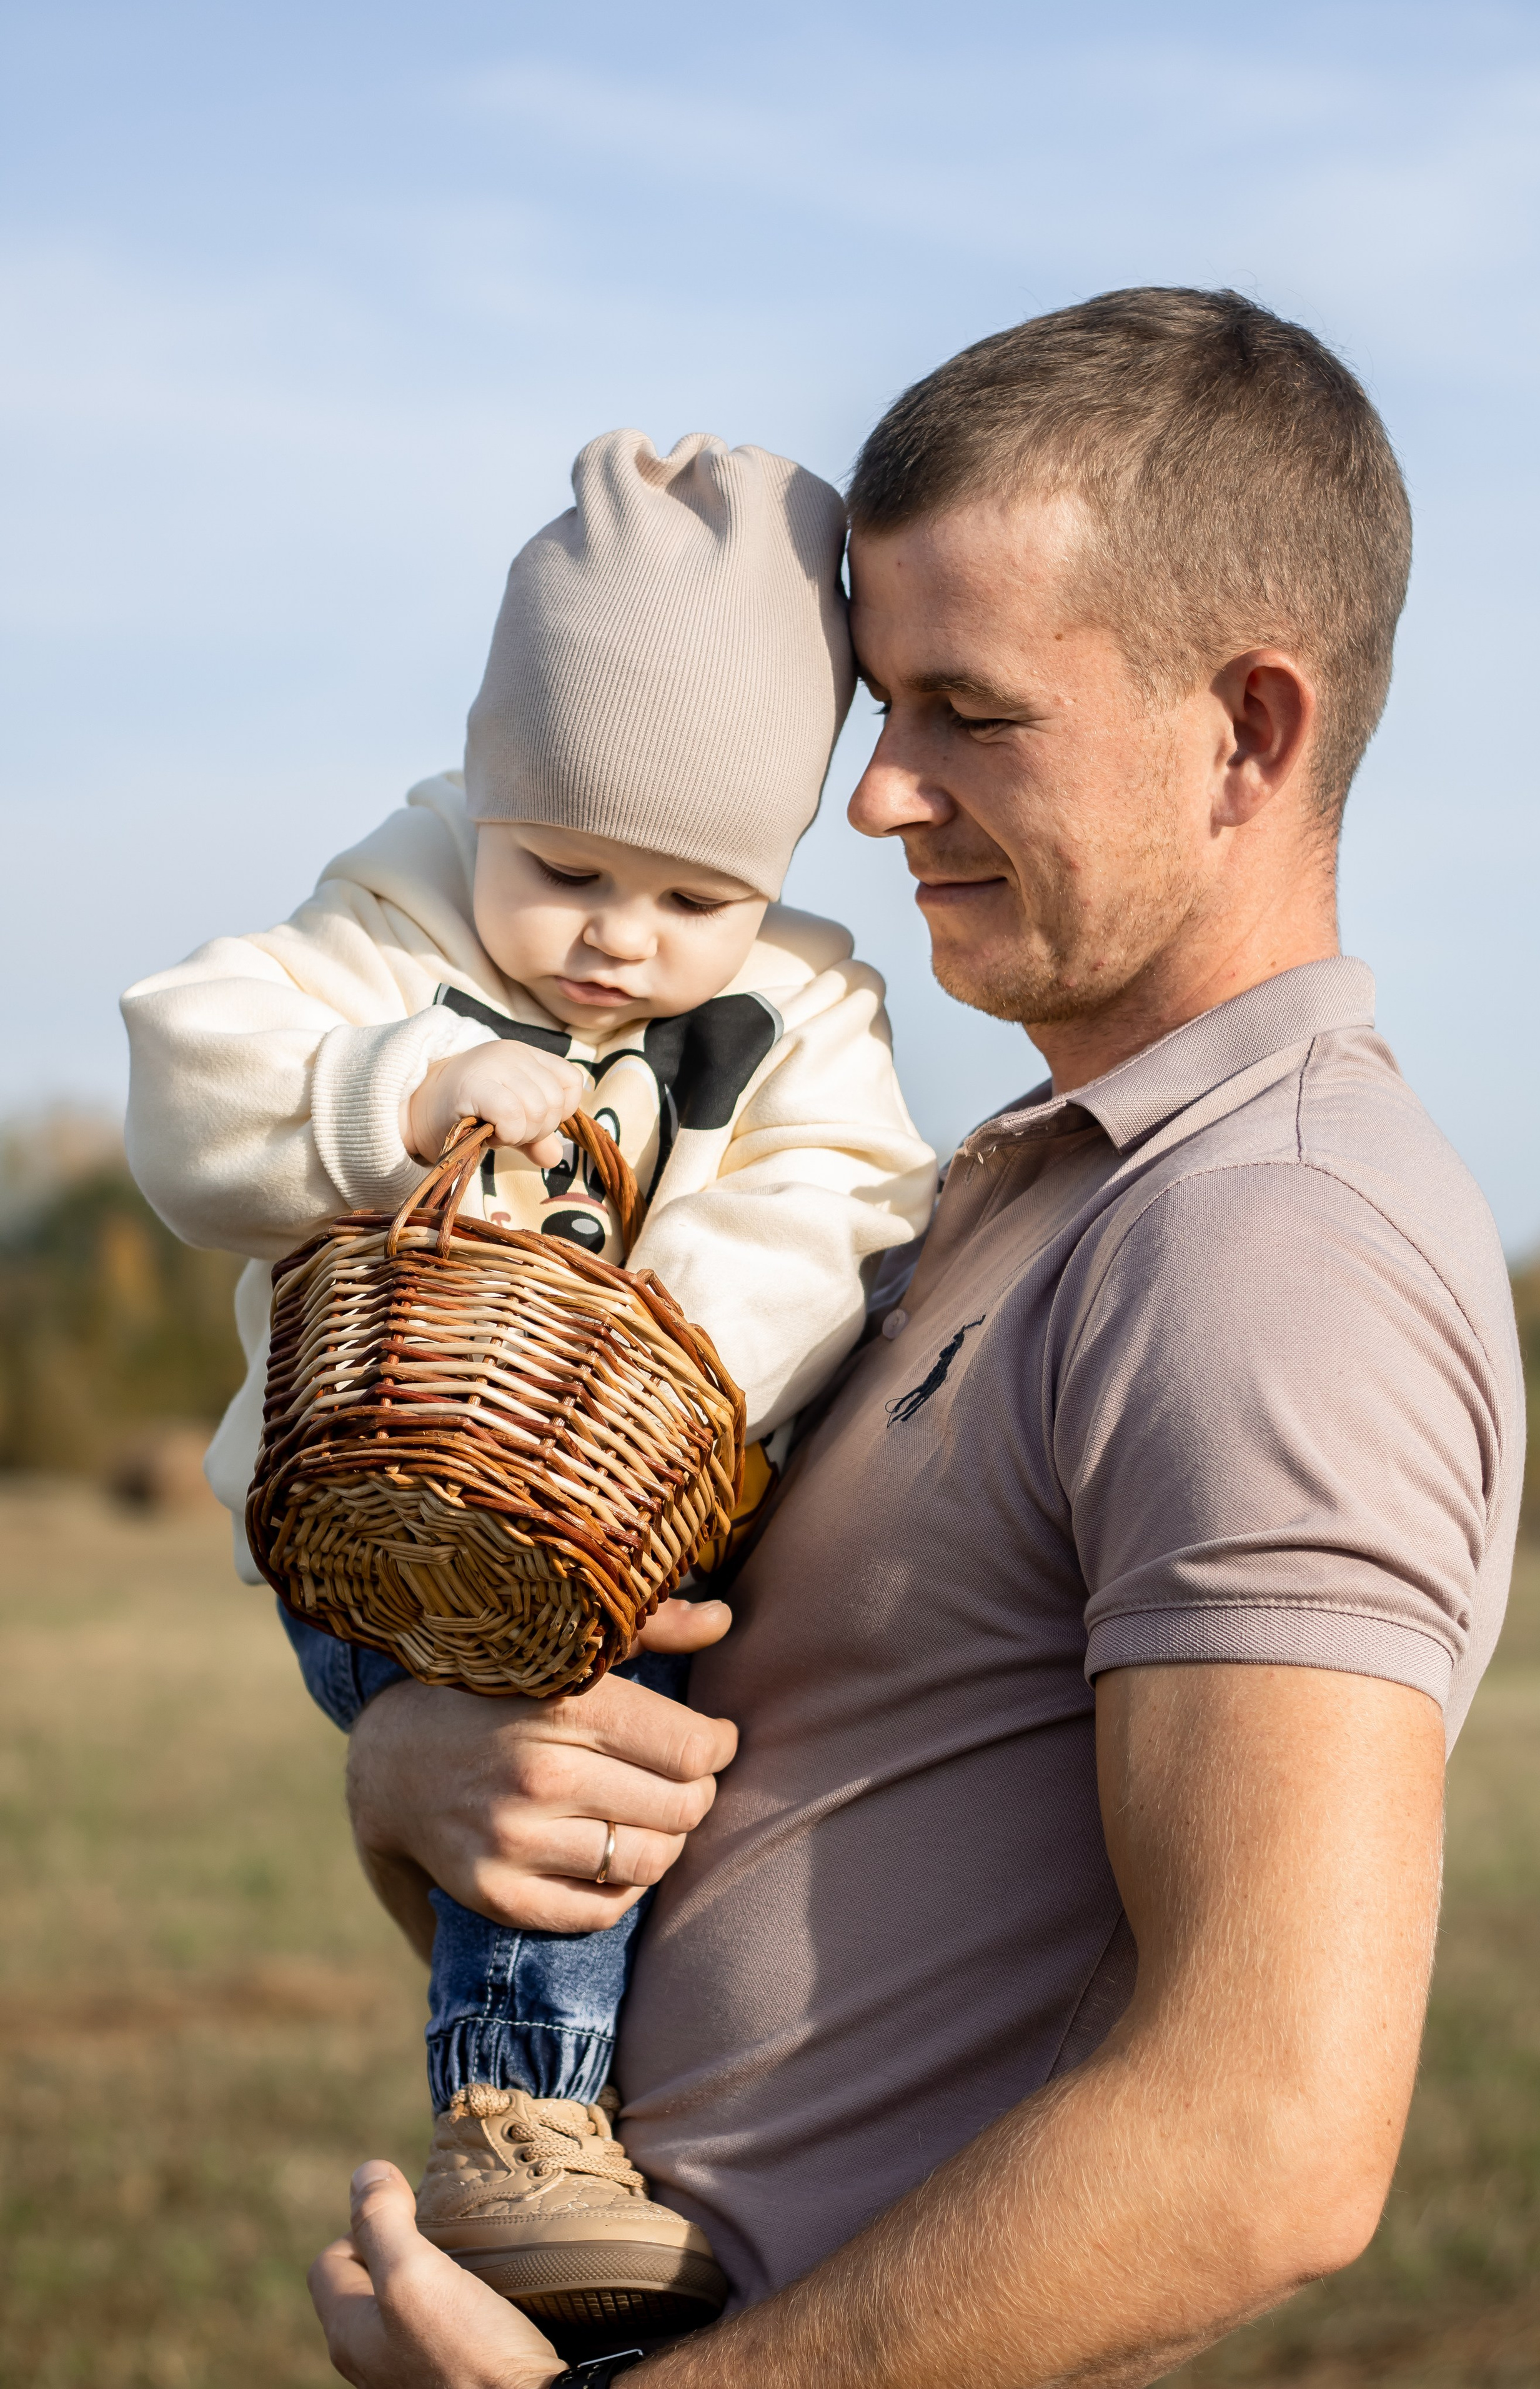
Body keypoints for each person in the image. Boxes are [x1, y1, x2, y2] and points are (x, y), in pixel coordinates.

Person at [312, 287, 1524, 2389]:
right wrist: (426, 1782)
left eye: (970, 714)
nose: (873, 801)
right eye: (880, 708)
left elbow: (1269, 2137)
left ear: (1252, 729)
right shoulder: (1017, 1193)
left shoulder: (1274, 1237)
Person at [120, 431, 936, 2332]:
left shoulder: (809, 1006)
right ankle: (520, 2118)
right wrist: (388, 1091)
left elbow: (846, 1200)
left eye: (690, 899)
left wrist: (682, 1343)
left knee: (671, 1765)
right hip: (381, 1511)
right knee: (564, 1709)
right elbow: (193, 1074)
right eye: (564, 867)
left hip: (631, 1499)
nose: (616, 942)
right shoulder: (385, 930)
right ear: (487, 785)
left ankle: (687, 2119)